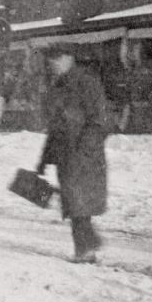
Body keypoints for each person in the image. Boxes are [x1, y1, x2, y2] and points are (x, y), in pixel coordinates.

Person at [36, 44, 108, 263]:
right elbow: (55, 128)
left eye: (58, 58)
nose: (53, 62)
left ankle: (85, 251)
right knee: (74, 203)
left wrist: (84, 148)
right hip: (65, 155)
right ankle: (89, 245)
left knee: (77, 204)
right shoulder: (57, 87)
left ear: (70, 58)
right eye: (51, 59)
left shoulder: (86, 83)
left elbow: (100, 121)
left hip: (84, 155)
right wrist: (43, 159)